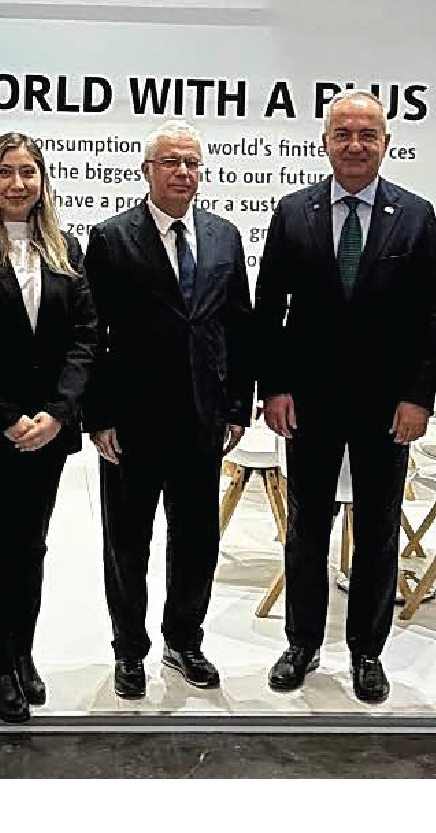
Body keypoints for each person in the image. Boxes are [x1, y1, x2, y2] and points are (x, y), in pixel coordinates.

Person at [255, 89, 436, 704]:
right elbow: (269, 309)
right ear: (325, 142)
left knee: (379, 529)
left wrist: (418, 398)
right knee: (306, 527)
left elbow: (431, 317)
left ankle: (368, 651)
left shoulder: (416, 216)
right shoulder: (294, 212)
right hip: (308, 402)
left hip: (386, 406)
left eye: (368, 134)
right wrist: (273, 387)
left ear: (386, 143)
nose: (356, 145)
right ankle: (302, 643)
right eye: (344, 134)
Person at [84, 120, 253, 698]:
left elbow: (238, 325)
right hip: (131, 422)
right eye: (171, 162)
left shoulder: (224, 236)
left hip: (203, 420)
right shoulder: (111, 238)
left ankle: (184, 640)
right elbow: (93, 335)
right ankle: (129, 649)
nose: (183, 172)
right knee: (127, 542)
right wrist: (98, 416)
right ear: (147, 171)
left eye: (192, 163)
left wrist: (237, 406)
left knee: (197, 539)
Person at [0, 132, 97, 725]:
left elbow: (84, 337)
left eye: (28, 171)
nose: (17, 183)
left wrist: (58, 412)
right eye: (5, 172)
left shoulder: (65, 248)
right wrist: (8, 418)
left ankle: (23, 652)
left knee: (31, 548)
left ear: (42, 181)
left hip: (47, 433)